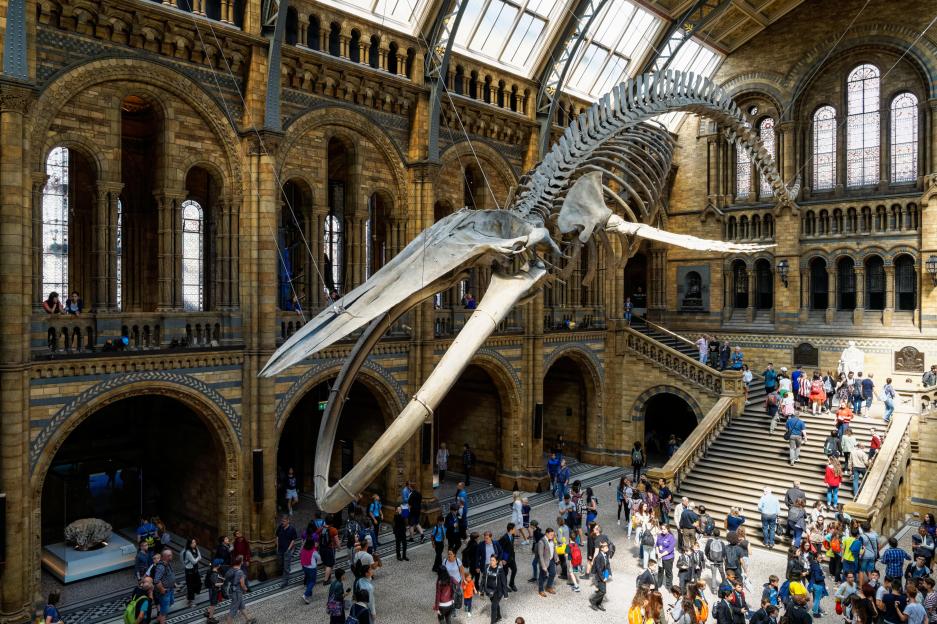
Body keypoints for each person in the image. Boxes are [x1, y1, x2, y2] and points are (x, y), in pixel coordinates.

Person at [482, 553, 507, 624]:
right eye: (490, 560)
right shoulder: (487, 567)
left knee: (493, 607)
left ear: (497, 561)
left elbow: (504, 582)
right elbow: (483, 579)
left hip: (498, 592)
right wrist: (481, 590)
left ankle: (492, 622)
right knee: (495, 604)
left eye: (493, 560)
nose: (491, 562)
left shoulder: (500, 570)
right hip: (489, 590)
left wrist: (505, 594)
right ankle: (499, 616)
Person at [153, 549, 176, 624]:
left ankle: (159, 618)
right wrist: (162, 589)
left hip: (170, 588)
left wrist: (173, 583)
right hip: (165, 591)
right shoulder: (161, 567)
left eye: (171, 555)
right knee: (164, 609)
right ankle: (162, 621)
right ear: (164, 557)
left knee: (170, 602)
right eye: (169, 556)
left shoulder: (168, 563)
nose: (171, 557)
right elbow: (156, 580)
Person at [275, 515, 297, 588]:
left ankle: (285, 581)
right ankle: (284, 572)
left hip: (287, 550)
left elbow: (293, 540)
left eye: (284, 521)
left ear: (288, 521)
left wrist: (288, 549)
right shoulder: (280, 527)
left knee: (286, 567)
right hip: (280, 549)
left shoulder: (292, 529)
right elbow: (277, 536)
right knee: (280, 563)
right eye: (282, 521)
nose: (282, 523)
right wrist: (277, 546)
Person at [299, 534, 322, 604]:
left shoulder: (303, 549)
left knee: (308, 579)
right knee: (312, 581)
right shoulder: (313, 551)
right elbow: (319, 558)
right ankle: (305, 595)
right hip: (312, 568)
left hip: (304, 567)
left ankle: (309, 593)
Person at [536, 527, 559, 597]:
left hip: (551, 560)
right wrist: (543, 566)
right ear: (547, 534)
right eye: (551, 535)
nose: (553, 536)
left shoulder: (552, 540)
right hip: (544, 561)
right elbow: (540, 555)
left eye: (553, 535)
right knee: (542, 576)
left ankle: (548, 586)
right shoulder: (541, 542)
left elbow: (554, 549)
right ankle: (541, 590)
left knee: (553, 573)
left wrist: (556, 558)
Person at [589, 541, 611, 611]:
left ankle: (598, 603)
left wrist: (609, 573)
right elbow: (598, 569)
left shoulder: (605, 554)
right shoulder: (599, 556)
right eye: (606, 547)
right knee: (603, 591)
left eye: (607, 546)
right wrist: (602, 578)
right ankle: (593, 601)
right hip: (599, 576)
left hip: (604, 575)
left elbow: (608, 564)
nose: (607, 548)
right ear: (601, 549)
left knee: (602, 590)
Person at [498, 523, 519, 591]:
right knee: (505, 573)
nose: (515, 530)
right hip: (505, 559)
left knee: (514, 570)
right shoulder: (504, 538)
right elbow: (500, 549)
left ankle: (511, 584)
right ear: (511, 529)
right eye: (514, 529)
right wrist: (501, 559)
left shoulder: (512, 535)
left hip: (512, 557)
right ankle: (504, 586)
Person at [182, 537, 202, 608]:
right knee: (191, 586)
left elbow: (200, 557)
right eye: (193, 543)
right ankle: (191, 601)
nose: (194, 544)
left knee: (199, 583)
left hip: (195, 570)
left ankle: (189, 595)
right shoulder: (188, 552)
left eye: (195, 542)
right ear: (189, 544)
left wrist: (196, 559)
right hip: (189, 571)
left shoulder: (196, 549)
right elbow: (194, 561)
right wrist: (197, 559)